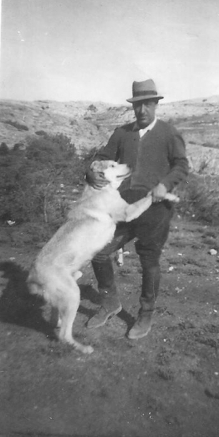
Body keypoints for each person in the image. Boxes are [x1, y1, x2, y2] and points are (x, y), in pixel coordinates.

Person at [85, 79, 189, 339]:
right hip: (122, 208)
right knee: (99, 252)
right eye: (138, 105)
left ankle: (145, 314)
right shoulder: (122, 133)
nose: (143, 110)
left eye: (148, 104)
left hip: (155, 210)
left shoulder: (168, 133)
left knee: (149, 262)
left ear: (155, 104)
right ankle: (110, 303)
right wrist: (91, 173)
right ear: (133, 106)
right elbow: (100, 158)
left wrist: (165, 184)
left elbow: (181, 166)